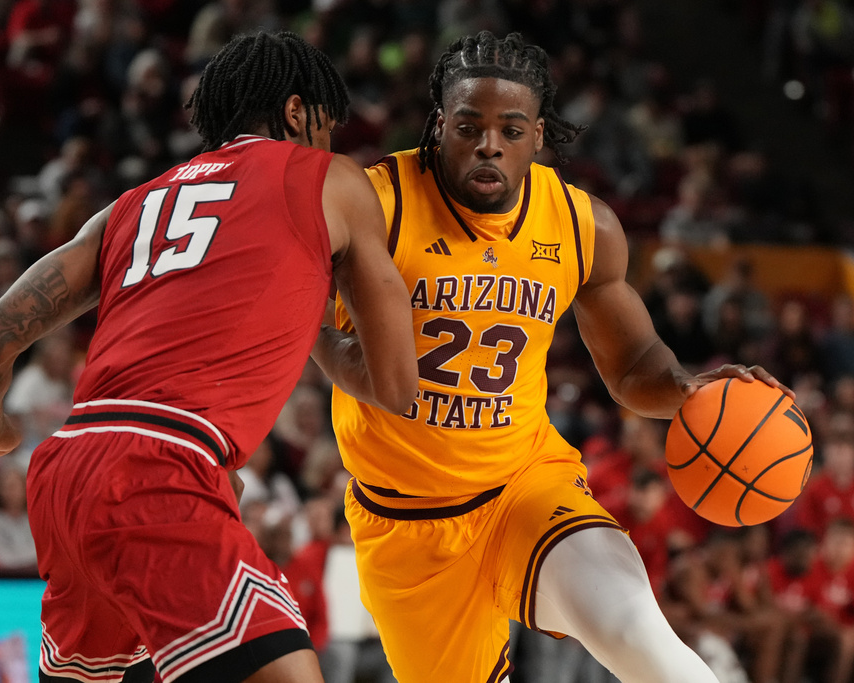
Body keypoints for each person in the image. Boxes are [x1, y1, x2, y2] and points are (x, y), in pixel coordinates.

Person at [320, 31, 792, 683]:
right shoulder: (375, 201)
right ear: (440, 124)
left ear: (538, 136)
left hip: (525, 487)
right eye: (469, 127)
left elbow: (633, 363)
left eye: (511, 130)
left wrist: (687, 389)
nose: (489, 144)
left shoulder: (581, 224)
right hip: (405, 523)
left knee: (636, 632)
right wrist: (319, 337)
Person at [0, 31, 417, 683]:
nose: (330, 141)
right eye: (327, 124)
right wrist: (310, 321)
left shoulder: (129, 205)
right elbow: (394, 383)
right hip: (162, 466)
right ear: (296, 112)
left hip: (65, 472)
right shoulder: (329, 177)